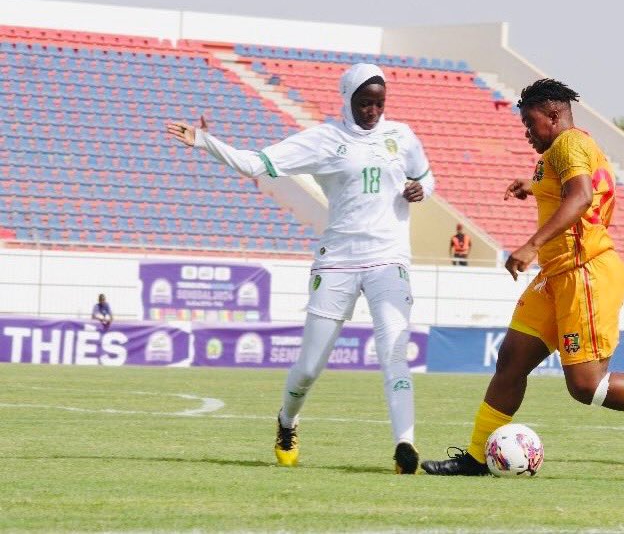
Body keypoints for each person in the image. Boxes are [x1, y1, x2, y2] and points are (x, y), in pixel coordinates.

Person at [421, 79, 624, 476]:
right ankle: (476, 458)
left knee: (586, 386)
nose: (526, 132)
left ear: (555, 115)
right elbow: (569, 188)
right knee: (511, 360)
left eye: (530, 122)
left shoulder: (568, 143)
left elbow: (580, 196)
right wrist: (535, 186)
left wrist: (530, 244)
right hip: (557, 274)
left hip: (585, 274)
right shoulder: (561, 151)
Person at [166, 63, 435, 474]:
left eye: (379, 103)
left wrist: (421, 189)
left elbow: (426, 177)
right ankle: (287, 421)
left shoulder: (402, 136)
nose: (372, 111)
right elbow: (254, 164)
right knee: (310, 366)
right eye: (364, 103)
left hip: (389, 259)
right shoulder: (324, 140)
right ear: (346, 100)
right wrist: (205, 141)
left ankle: (404, 445)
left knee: (395, 353)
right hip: (339, 260)